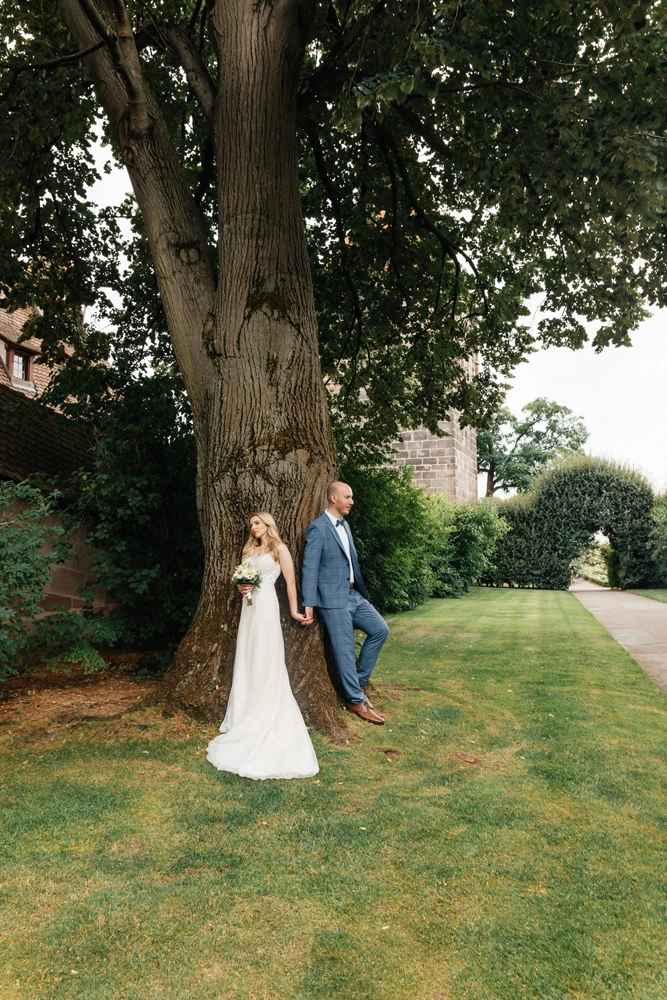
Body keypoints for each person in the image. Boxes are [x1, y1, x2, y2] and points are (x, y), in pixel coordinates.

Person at [206, 513, 319, 780]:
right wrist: (242, 589)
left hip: (267, 606)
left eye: (257, 523)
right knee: (247, 654)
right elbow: (243, 582)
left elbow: (290, 581)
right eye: (251, 525)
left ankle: (265, 708)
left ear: (268, 524)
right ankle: (244, 712)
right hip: (249, 608)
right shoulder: (249, 550)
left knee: (266, 655)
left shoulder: (279, 549)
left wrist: (294, 610)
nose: (253, 528)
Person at [301, 481, 389, 725]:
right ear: (333, 498)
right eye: (347, 497)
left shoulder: (346, 526)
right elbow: (310, 568)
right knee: (345, 651)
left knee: (380, 630)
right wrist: (309, 603)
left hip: (354, 595)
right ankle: (355, 700)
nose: (351, 501)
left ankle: (359, 683)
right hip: (332, 599)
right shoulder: (317, 528)